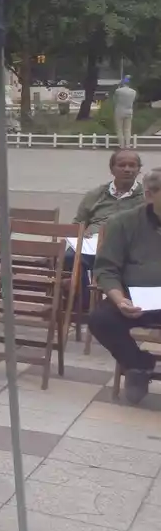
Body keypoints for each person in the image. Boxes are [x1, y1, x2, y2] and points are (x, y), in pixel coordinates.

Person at [90, 168, 161, 403]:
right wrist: (120, 300)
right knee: (101, 319)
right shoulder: (124, 223)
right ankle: (138, 365)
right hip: (135, 297)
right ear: (149, 195)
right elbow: (106, 268)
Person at [74, 149, 145, 237]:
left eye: (132, 165)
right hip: (94, 244)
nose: (127, 169)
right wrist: (82, 234)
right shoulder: (95, 195)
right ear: (112, 169)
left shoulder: (149, 197)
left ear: (138, 169)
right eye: (121, 165)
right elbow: (78, 224)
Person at [113, 77, 138, 148]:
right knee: (127, 129)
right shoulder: (133, 92)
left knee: (119, 129)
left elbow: (115, 100)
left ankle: (121, 145)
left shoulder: (118, 91)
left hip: (119, 111)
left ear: (122, 83)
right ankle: (127, 144)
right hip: (129, 111)